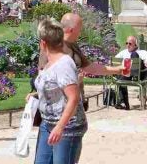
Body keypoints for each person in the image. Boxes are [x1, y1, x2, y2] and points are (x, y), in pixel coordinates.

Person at [28, 18, 87, 164]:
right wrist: (35, 95)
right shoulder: (50, 62)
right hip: (48, 123)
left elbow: (73, 98)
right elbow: (55, 89)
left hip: (67, 128)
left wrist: (60, 127)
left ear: (43, 43)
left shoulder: (63, 64)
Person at [41, 13, 125, 114]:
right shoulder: (52, 45)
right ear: (71, 30)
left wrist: (118, 69)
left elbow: (89, 67)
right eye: (79, 29)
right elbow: (43, 76)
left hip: (75, 105)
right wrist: (73, 80)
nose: (80, 33)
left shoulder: (73, 45)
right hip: (57, 107)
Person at [111, 36, 147, 110]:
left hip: (139, 75)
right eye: (126, 43)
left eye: (130, 43)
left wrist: (146, 62)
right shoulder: (123, 52)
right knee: (119, 79)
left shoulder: (142, 52)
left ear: (135, 45)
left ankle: (134, 75)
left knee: (134, 55)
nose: (128, 45)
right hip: (128, 75)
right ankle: (124, 103)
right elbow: (114, 61)